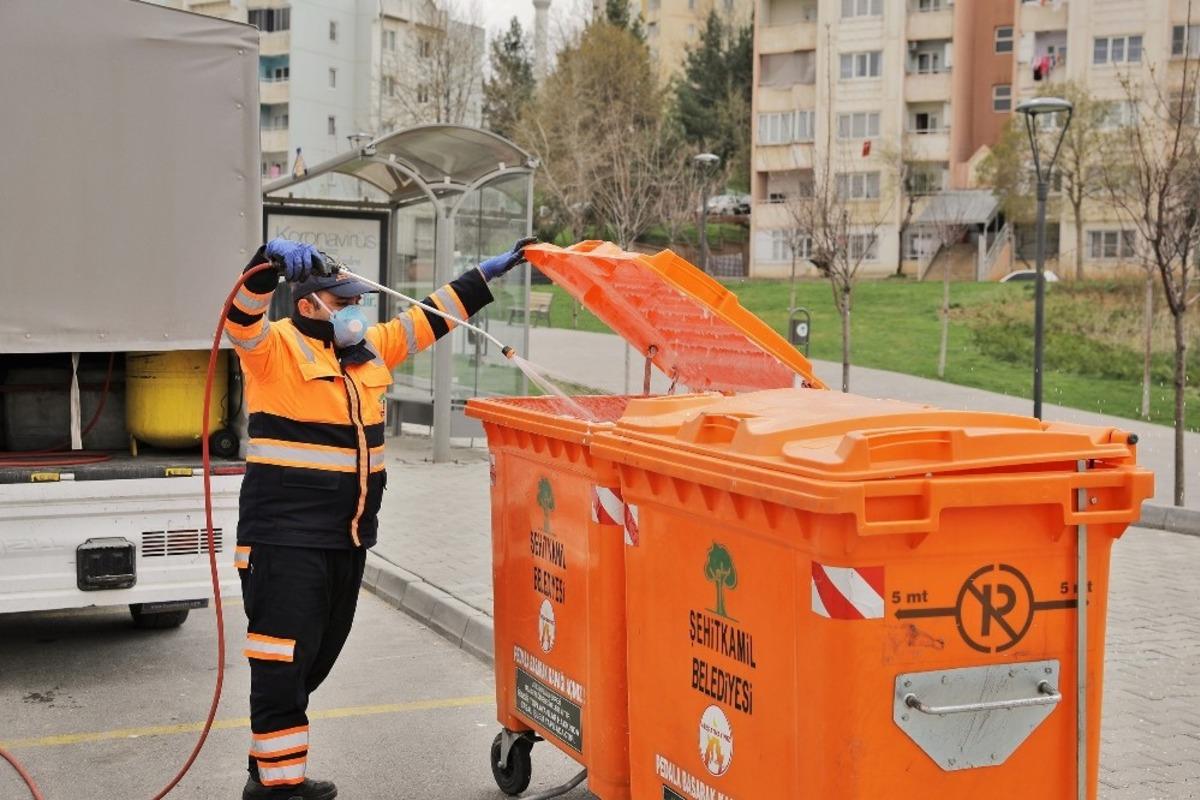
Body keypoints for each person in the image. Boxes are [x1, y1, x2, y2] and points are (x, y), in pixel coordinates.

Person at [225, 236, 534, 799]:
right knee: (282, 662)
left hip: (348, 540)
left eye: (356, 302)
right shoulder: (273, 351)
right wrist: (266, 264)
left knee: (313, 659)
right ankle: (278, 788)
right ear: (309, 303)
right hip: (285, 541)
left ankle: (268, 767)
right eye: (343, 303)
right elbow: (240, 315)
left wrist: (486, 276)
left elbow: (430, 318)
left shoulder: (369, 352)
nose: (355, 312)